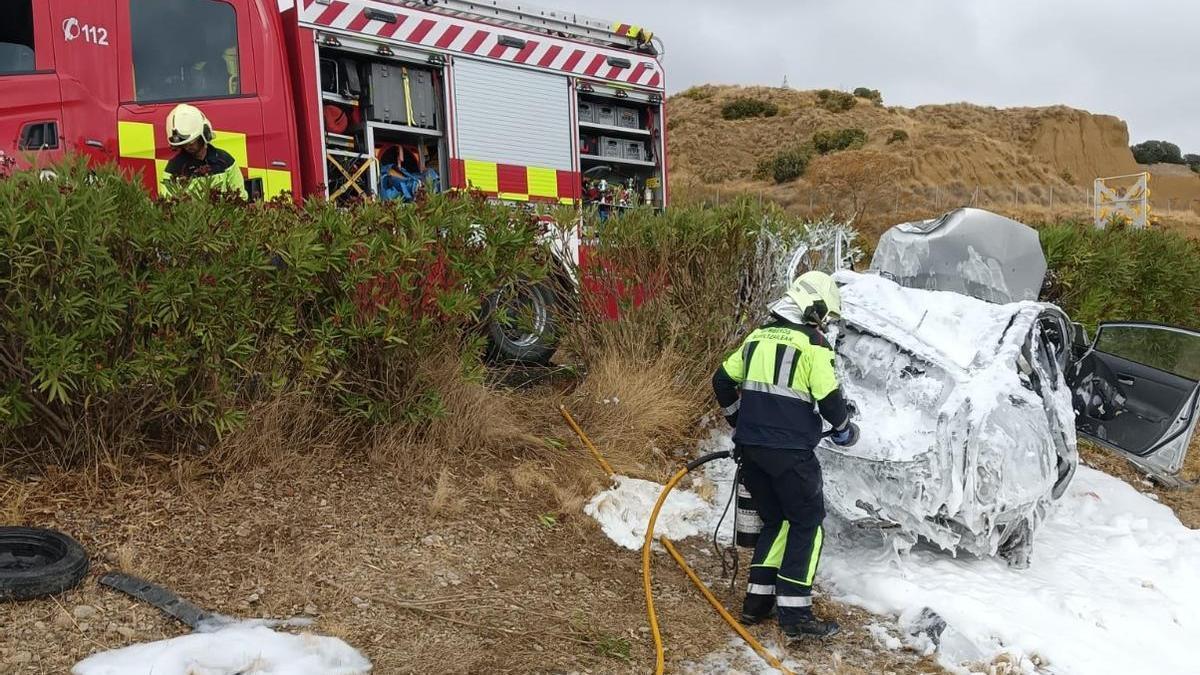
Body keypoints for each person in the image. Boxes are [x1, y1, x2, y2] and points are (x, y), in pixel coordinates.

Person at [712, 271, 860, 639]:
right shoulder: (814, 346)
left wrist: (737, 420)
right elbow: (829, 401)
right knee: (807, 524)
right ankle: (796, 616)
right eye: (824, 316)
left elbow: (721, 380)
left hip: (751, 452)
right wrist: (844, 429)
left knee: (776, 522)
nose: (823, 323)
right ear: (814, 309)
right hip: (791, 456)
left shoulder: (757, 337)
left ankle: (756, 605)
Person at [162, 103, 247, 199]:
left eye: (191, 143)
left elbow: (240, 197)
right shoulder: (173, 168)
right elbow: (168, 202)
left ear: (203, 136)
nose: (187, 148)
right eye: (184, 145)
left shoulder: (225, 161)